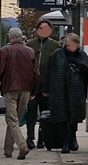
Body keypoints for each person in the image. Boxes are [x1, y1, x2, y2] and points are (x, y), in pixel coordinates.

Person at [0, 26, 40, 159]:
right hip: (26, 89)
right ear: (22, 37)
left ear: (9, 37)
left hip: (10, 88)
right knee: (15, 120)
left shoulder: (4, 51)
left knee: (12, 120)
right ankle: (8, 149)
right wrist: (33, 90)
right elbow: (36, 73)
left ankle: (22, 146)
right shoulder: (30, 51)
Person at [43, 33, 88, 152]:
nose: (70, 47)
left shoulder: (82, 56)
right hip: (59, 90)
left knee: (73, 116)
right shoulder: (57, 54)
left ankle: (72, 138)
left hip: (76, 90)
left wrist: (86, 92)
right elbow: (48, 71)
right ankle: (64, 141)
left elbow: (86, 75)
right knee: (60, 116)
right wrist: (46, 89)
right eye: (68, 44)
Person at [25, 19, 61, 149]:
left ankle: (43, 138)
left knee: (45, 113)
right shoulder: (29, 45)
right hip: (32, 86)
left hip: (48, 86)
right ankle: (30, 138)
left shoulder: (56, 46)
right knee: (31, 113)